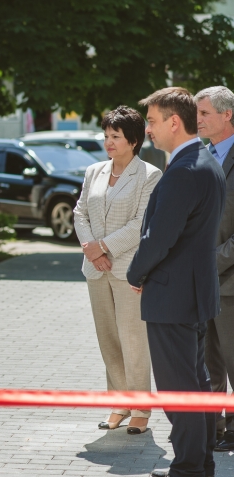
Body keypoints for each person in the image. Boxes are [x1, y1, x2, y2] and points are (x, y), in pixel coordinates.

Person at [127, 87, 225, 477]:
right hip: (195, 293)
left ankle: (187, 467)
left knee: (178, 388)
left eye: (151, 121)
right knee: (196, 383)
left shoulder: (185, 170)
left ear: (173, 122)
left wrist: (135, 273)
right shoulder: (204, 160)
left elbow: (159, 238)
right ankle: (199, 462)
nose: (147, 129)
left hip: (173, 296)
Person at [73, 106, 162, 434]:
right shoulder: (94, 171)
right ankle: (120, 402)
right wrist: (91, 249)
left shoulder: (150, 175)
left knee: (133, 339)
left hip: (128, 268)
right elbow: (79, 212)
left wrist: (104, 246)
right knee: (108, 338)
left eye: (116, 136)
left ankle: (141, 408)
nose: (108, 142)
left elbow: (142, 222)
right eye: (106, 135)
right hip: (96, 268)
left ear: (134, 141)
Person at [194, 85, 234, 451]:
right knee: (209, 365)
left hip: (229, 281)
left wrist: (210, 260)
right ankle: (215, 428)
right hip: (201, 284)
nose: (198, 119)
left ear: (227, 115)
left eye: (204, 113)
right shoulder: (201, 156)